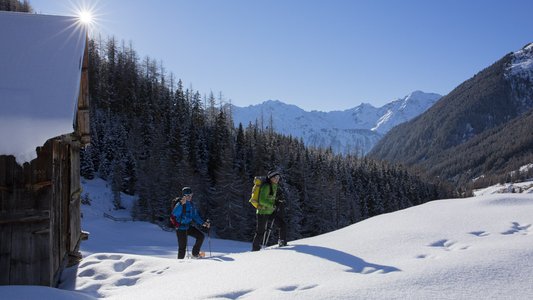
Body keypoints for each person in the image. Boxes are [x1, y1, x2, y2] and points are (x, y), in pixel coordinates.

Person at [251, 170, 287, 251]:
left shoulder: (275, 186)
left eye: (278, 177)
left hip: (270, 211)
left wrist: (278, 200)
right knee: (260, 231)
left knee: (282, 224)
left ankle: (282, 242)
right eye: (275, 177)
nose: (277, 179)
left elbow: (271, 198)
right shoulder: (266, 186)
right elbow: (262, 200)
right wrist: (272, 205)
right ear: (270, 178)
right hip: (262, 212)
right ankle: (255, 249)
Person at [172, 187, 210, 259]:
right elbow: (174, 214)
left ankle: (195, 254)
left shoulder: (191, 204)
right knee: (182, 248)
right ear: (184, 196)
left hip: (188, 226)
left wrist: (203, 223)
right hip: (180, 228)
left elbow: (195, 216)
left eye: (191, 195)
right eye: (187, 195)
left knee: (201, 236)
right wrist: (180, 204)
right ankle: (179, 264)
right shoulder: (180, 204)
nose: (190, 197)